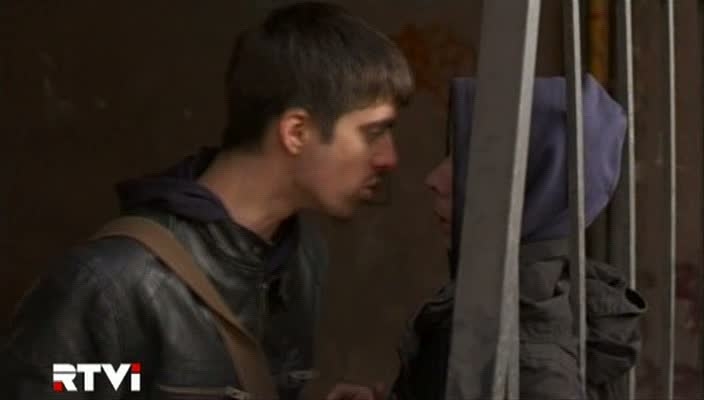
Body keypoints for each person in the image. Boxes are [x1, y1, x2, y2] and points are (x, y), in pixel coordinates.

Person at [1, 2, 413, 399]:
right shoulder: (114, 287)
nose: (389, 158)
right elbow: (74, 386)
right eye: (373, 132)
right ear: (296, 133)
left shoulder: (301, 260)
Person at [389, 75, 646, 400]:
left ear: (535, 184)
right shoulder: (519, 305)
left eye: (469, 159)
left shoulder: (530, 360)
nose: (434, 179)